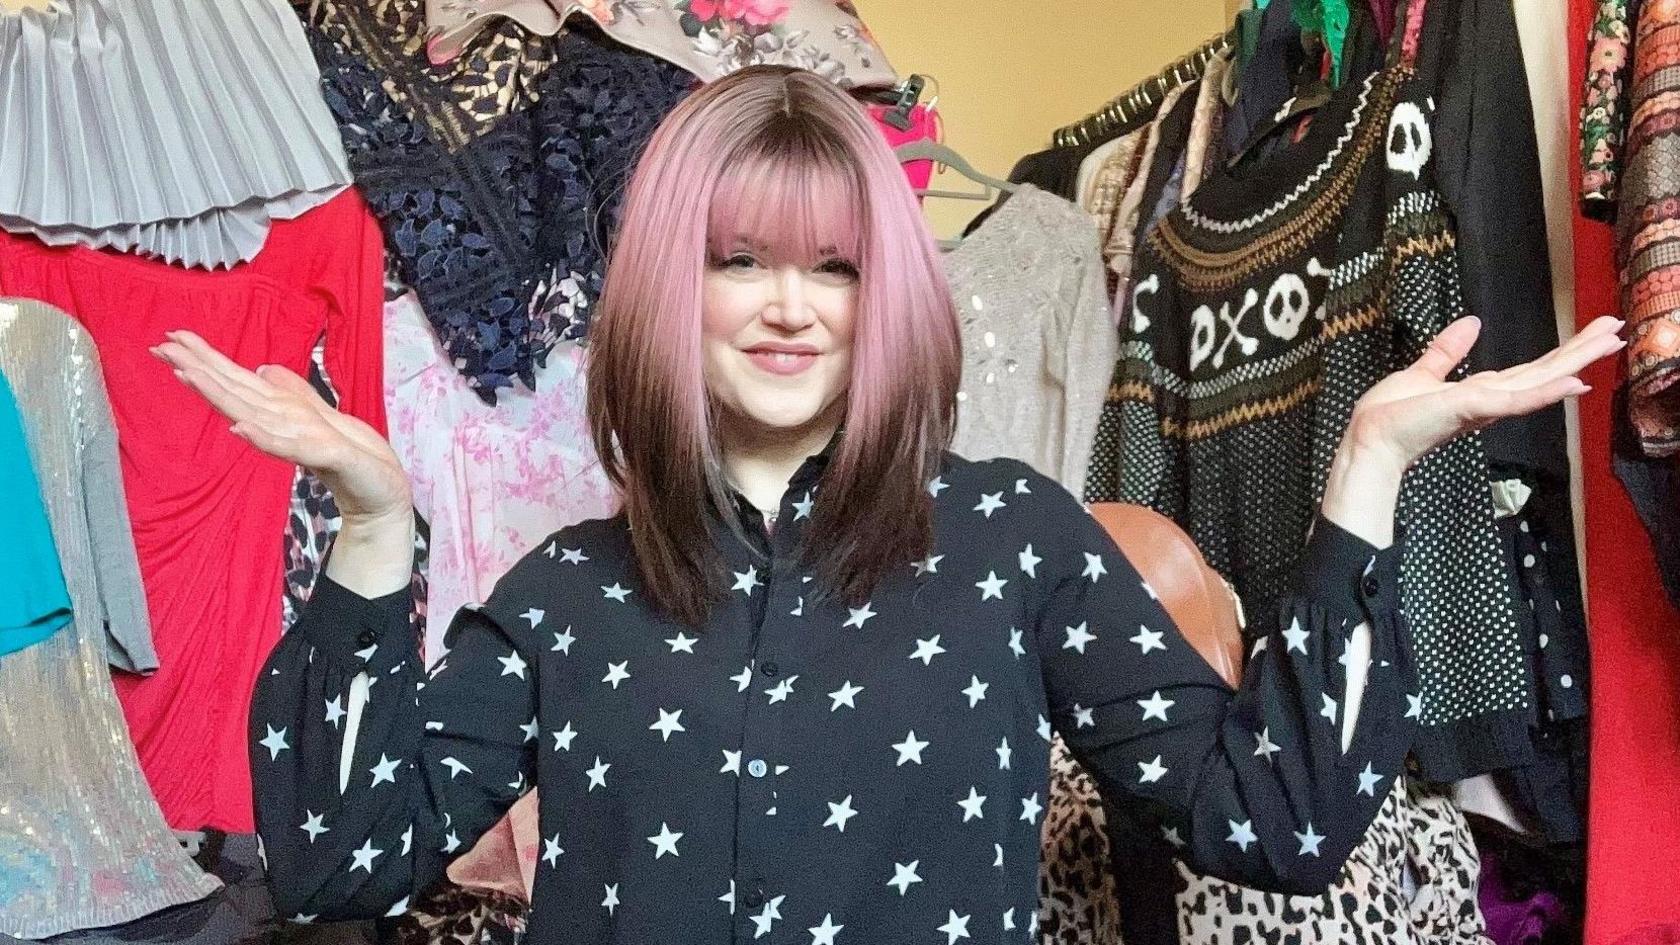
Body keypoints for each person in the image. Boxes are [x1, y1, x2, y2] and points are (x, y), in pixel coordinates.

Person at [152, 66, 1623, 944]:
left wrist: (1361, 470)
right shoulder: (566, 591)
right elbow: (343, 852)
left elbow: (1277, 818)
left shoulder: (1015, 542)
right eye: (741, 260)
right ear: (675, 291)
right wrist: (371, 528)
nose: (791, 306)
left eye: (837, 266)